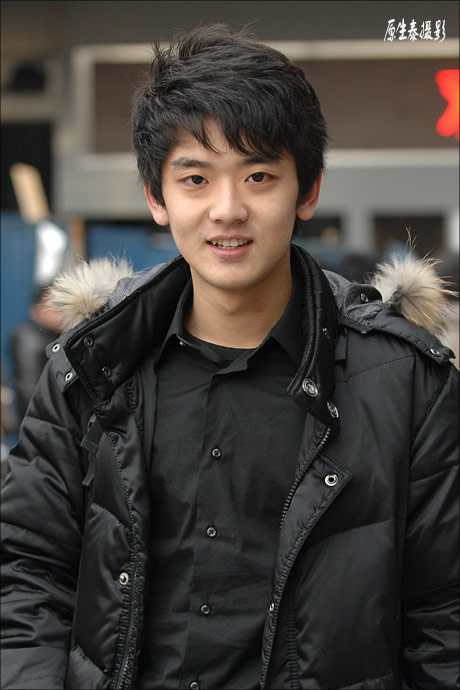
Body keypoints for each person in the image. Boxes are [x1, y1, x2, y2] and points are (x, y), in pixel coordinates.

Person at [1, 24, 458, 690]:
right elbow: (25, 574)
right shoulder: (93, 368)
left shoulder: (404, 381)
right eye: (195, 178)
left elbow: (444, 618)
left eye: (258, 175)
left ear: (308, 191)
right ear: (157, 197)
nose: (227, 209)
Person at [9, 284, 64, 423]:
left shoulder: (56, 337)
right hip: (42, 422)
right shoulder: (29, 339)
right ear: (37, 309)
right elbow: (29, 388)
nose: (60, 310)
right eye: (54, 304)